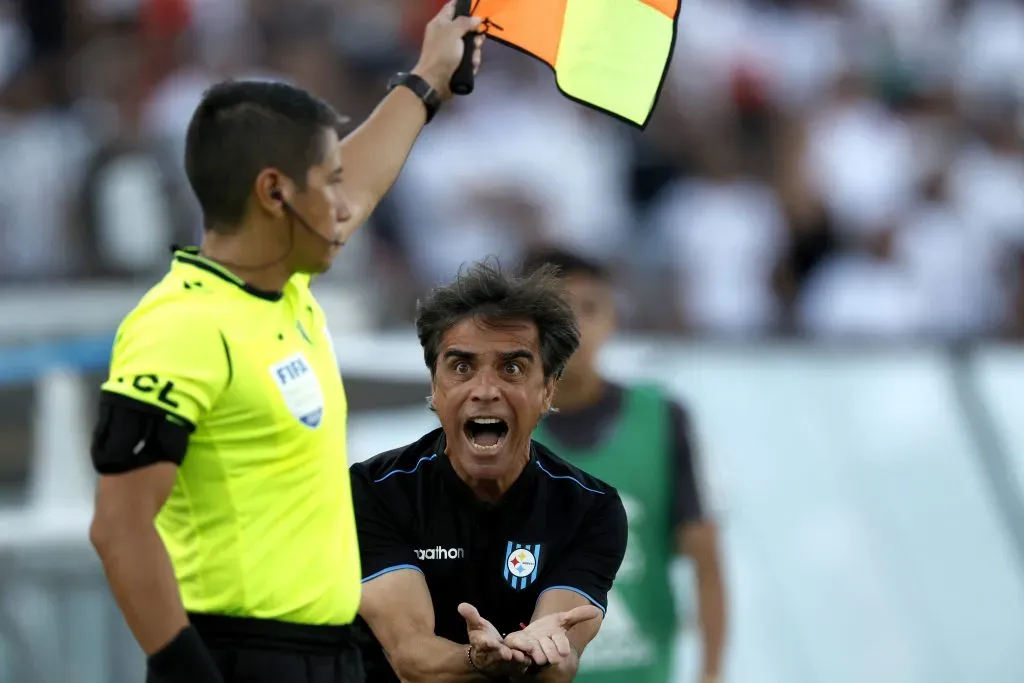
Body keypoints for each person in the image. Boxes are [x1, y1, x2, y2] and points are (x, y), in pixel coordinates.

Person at [86, 5, 486, 683]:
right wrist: (187, 670)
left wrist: (429, 78)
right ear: (274, 192)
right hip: (238, 658)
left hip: (327, 656)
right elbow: (120, 527)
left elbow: (360, 186)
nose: (343, 202)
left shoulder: (285, 288)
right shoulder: (181, 325)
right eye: (326, 182)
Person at [349, 261, 628, 682]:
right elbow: (410, 658)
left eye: (512, 368)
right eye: (461, 367)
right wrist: (479, 659)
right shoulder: (373, 491)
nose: (484, 390)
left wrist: (540, 649)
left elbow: (559, 661)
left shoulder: (590, 508)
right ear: (435, 386)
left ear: (546, 390)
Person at [519, 247, 729, 683]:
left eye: (590, 308)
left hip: (643, 669)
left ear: (613, 319)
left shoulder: (662, 418)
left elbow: (706, 557)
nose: (576, 325)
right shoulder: (498, 428)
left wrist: (711, 673)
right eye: (559, 311)